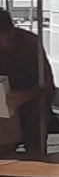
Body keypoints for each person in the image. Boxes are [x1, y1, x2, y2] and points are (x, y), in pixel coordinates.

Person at [0, 9, 55, 154]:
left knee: (35, 149)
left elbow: (49, 88)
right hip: (4, 110)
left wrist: (25, 96)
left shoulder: (30, 44)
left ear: (10, 32)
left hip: (33, 106)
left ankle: (35, 172)